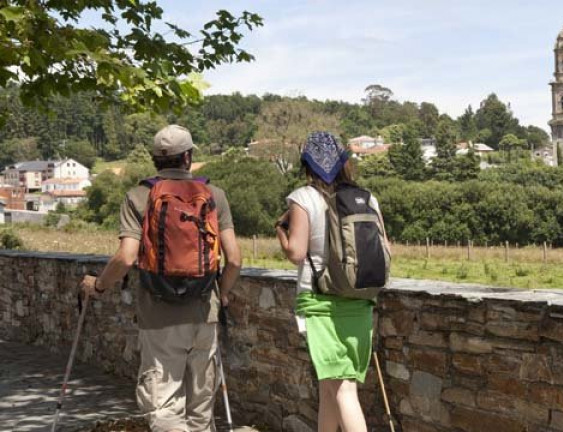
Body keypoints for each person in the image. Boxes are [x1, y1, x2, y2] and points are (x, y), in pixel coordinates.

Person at [80, 125, 242, 432]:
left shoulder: (138, 196)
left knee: (165, 407)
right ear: (189, 157)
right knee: (201, 411)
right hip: (204, 315)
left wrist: (98, 286)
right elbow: (234, 259)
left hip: (158, 316)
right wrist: (223, 294)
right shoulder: (213, 195)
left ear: (155, 159)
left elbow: (126, 257)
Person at [276, 132, 387, 432]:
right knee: (329, 386)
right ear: (344, 163)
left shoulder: (303, 198)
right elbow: (384, 247)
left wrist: (281, 232)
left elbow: (297, 253)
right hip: (360, 300)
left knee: (343, 389)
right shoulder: (367, 198)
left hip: (321, 302)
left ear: (307, 165)